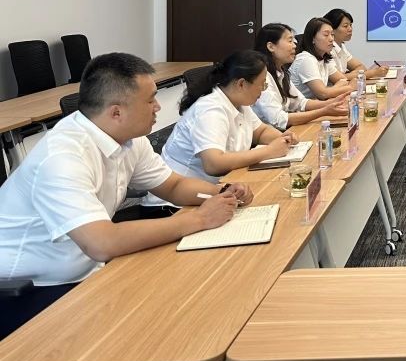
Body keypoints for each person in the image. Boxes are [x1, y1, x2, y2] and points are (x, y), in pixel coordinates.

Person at [0, 53, 250, 339]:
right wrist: (199, 219)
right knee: (164, 322)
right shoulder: (62, 157)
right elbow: (102, 242)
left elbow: (173, 186)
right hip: (32, 291)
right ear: (116, 112)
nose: (158, 107)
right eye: (150, 100)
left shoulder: (130, 140)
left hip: (89, 269)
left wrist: (222, 192)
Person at [143, 50, 294, 214]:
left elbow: (260, 131)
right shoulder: (210, 109)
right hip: (176, 205)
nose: (263, 90)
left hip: (217, 190)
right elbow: (214, 164)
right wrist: (269, 151)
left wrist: (283, 138)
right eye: (262, 84)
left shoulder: (238, 101)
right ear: (241, 84)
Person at [252, 22, 350, 129]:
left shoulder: (281, 73)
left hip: (286, 129)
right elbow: (279, 119)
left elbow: (300, 102)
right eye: (290, 41)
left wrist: (331, 103)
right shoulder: (263, 77)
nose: (294, 45)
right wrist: (324, 111)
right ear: (271, 46)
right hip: (271, 134)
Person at [290, 17, 356, 99]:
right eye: (326, 35)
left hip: (318, 104)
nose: (331, 39)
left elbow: (343, 80)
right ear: (312, 39)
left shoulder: (323, 58)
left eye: (332, 34)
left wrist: (331, 90)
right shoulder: (306, 59)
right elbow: (322, 94)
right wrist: (351, 87)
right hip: (301, 107)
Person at [324, 8, 389, 81]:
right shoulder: (327, 49)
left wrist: (348, 76)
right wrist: (373, 73)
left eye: (350, 25)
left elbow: (361, 67)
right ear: (332, 29)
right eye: (345, 26)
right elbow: (338, 78)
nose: (350, 29)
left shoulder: (341, 46)